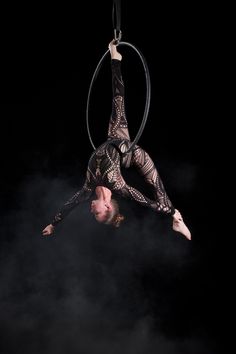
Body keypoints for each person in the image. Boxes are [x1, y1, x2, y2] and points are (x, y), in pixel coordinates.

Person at [42, 40, 191, 240]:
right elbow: (145, 201)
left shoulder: (88, 188)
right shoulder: (117, 185)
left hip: (115, 138)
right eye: (96, 213)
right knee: (156, 187)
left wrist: (53, 224)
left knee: (118, 99)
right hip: (131, 153)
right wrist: (171, 211)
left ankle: (115, 58)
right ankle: (177, 219)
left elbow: (68, 206)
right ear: (107, 206)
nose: (91, 211)